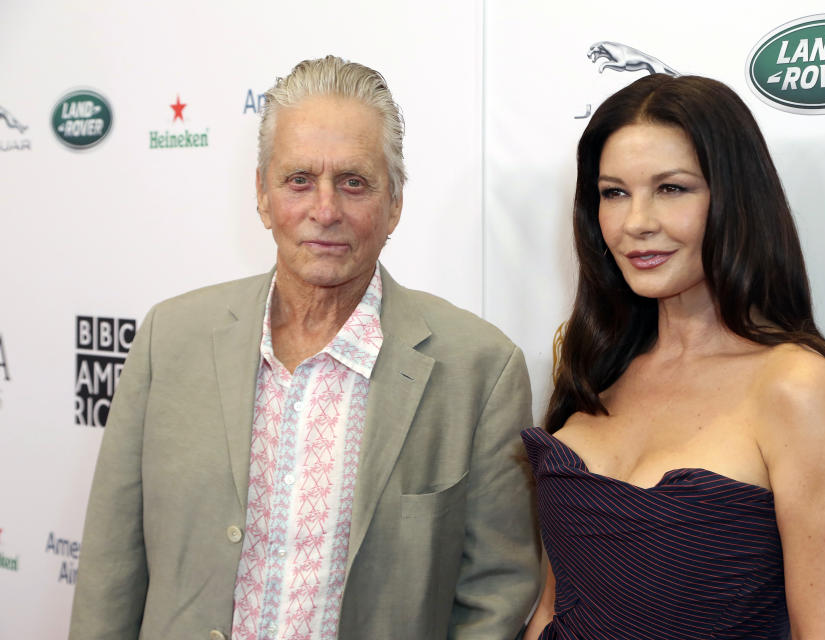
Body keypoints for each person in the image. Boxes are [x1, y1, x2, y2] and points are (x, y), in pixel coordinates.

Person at [69, 56, 539, 640]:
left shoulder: (480, 370)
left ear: (394, 203)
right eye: (299, 180)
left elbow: (497, 590)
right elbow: (111, 569)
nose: (325, 210)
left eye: (353, 182)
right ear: (263, 195)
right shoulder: (170, 340)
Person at [521, 74, 825, 639]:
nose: (636, 222)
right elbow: (551, 608)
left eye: (672, 188)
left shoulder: (795, 386)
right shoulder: (594, 362)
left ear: (734, 198)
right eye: (614, 192)